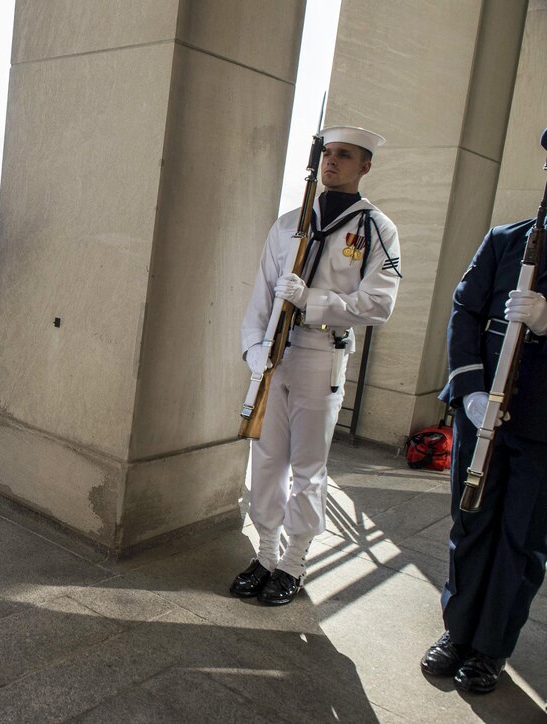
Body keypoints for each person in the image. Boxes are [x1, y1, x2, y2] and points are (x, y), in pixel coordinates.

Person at [233, 126, 402, 604]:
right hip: (275, 355)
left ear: (365, 166)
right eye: (328, 153)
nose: (332, 162)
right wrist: (253, 350)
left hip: (321, 354)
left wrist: (314, 301)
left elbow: (378, 304)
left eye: (344, 156)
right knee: (265, 460)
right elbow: (261, 294)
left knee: (307, 465)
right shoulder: (289, 222)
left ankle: (293, 562)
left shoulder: (375, 229)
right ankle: (265, 552)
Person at [419, 216, 547, 693]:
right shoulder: (506, 239)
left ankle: (491, 647)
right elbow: (465, 308)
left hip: (541, 428)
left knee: (521, 538)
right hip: (483, 415)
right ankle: (459, 632)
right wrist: (470, 388)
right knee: (471, 524)